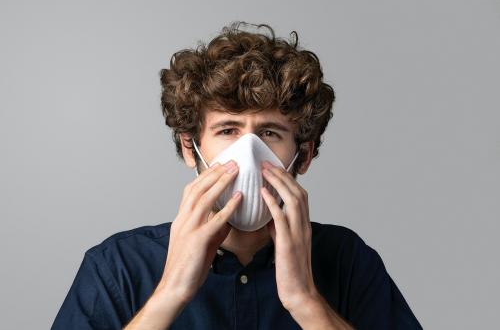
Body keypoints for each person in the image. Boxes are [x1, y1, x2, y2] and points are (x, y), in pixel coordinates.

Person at [51, 21, 423, 330]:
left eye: (270, 133)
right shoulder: (118, 265)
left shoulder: (347, 261)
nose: (248, 152)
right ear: (188, 148)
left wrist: (306, 301)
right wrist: (171, 292)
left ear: (304, 155)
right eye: (228, 130)